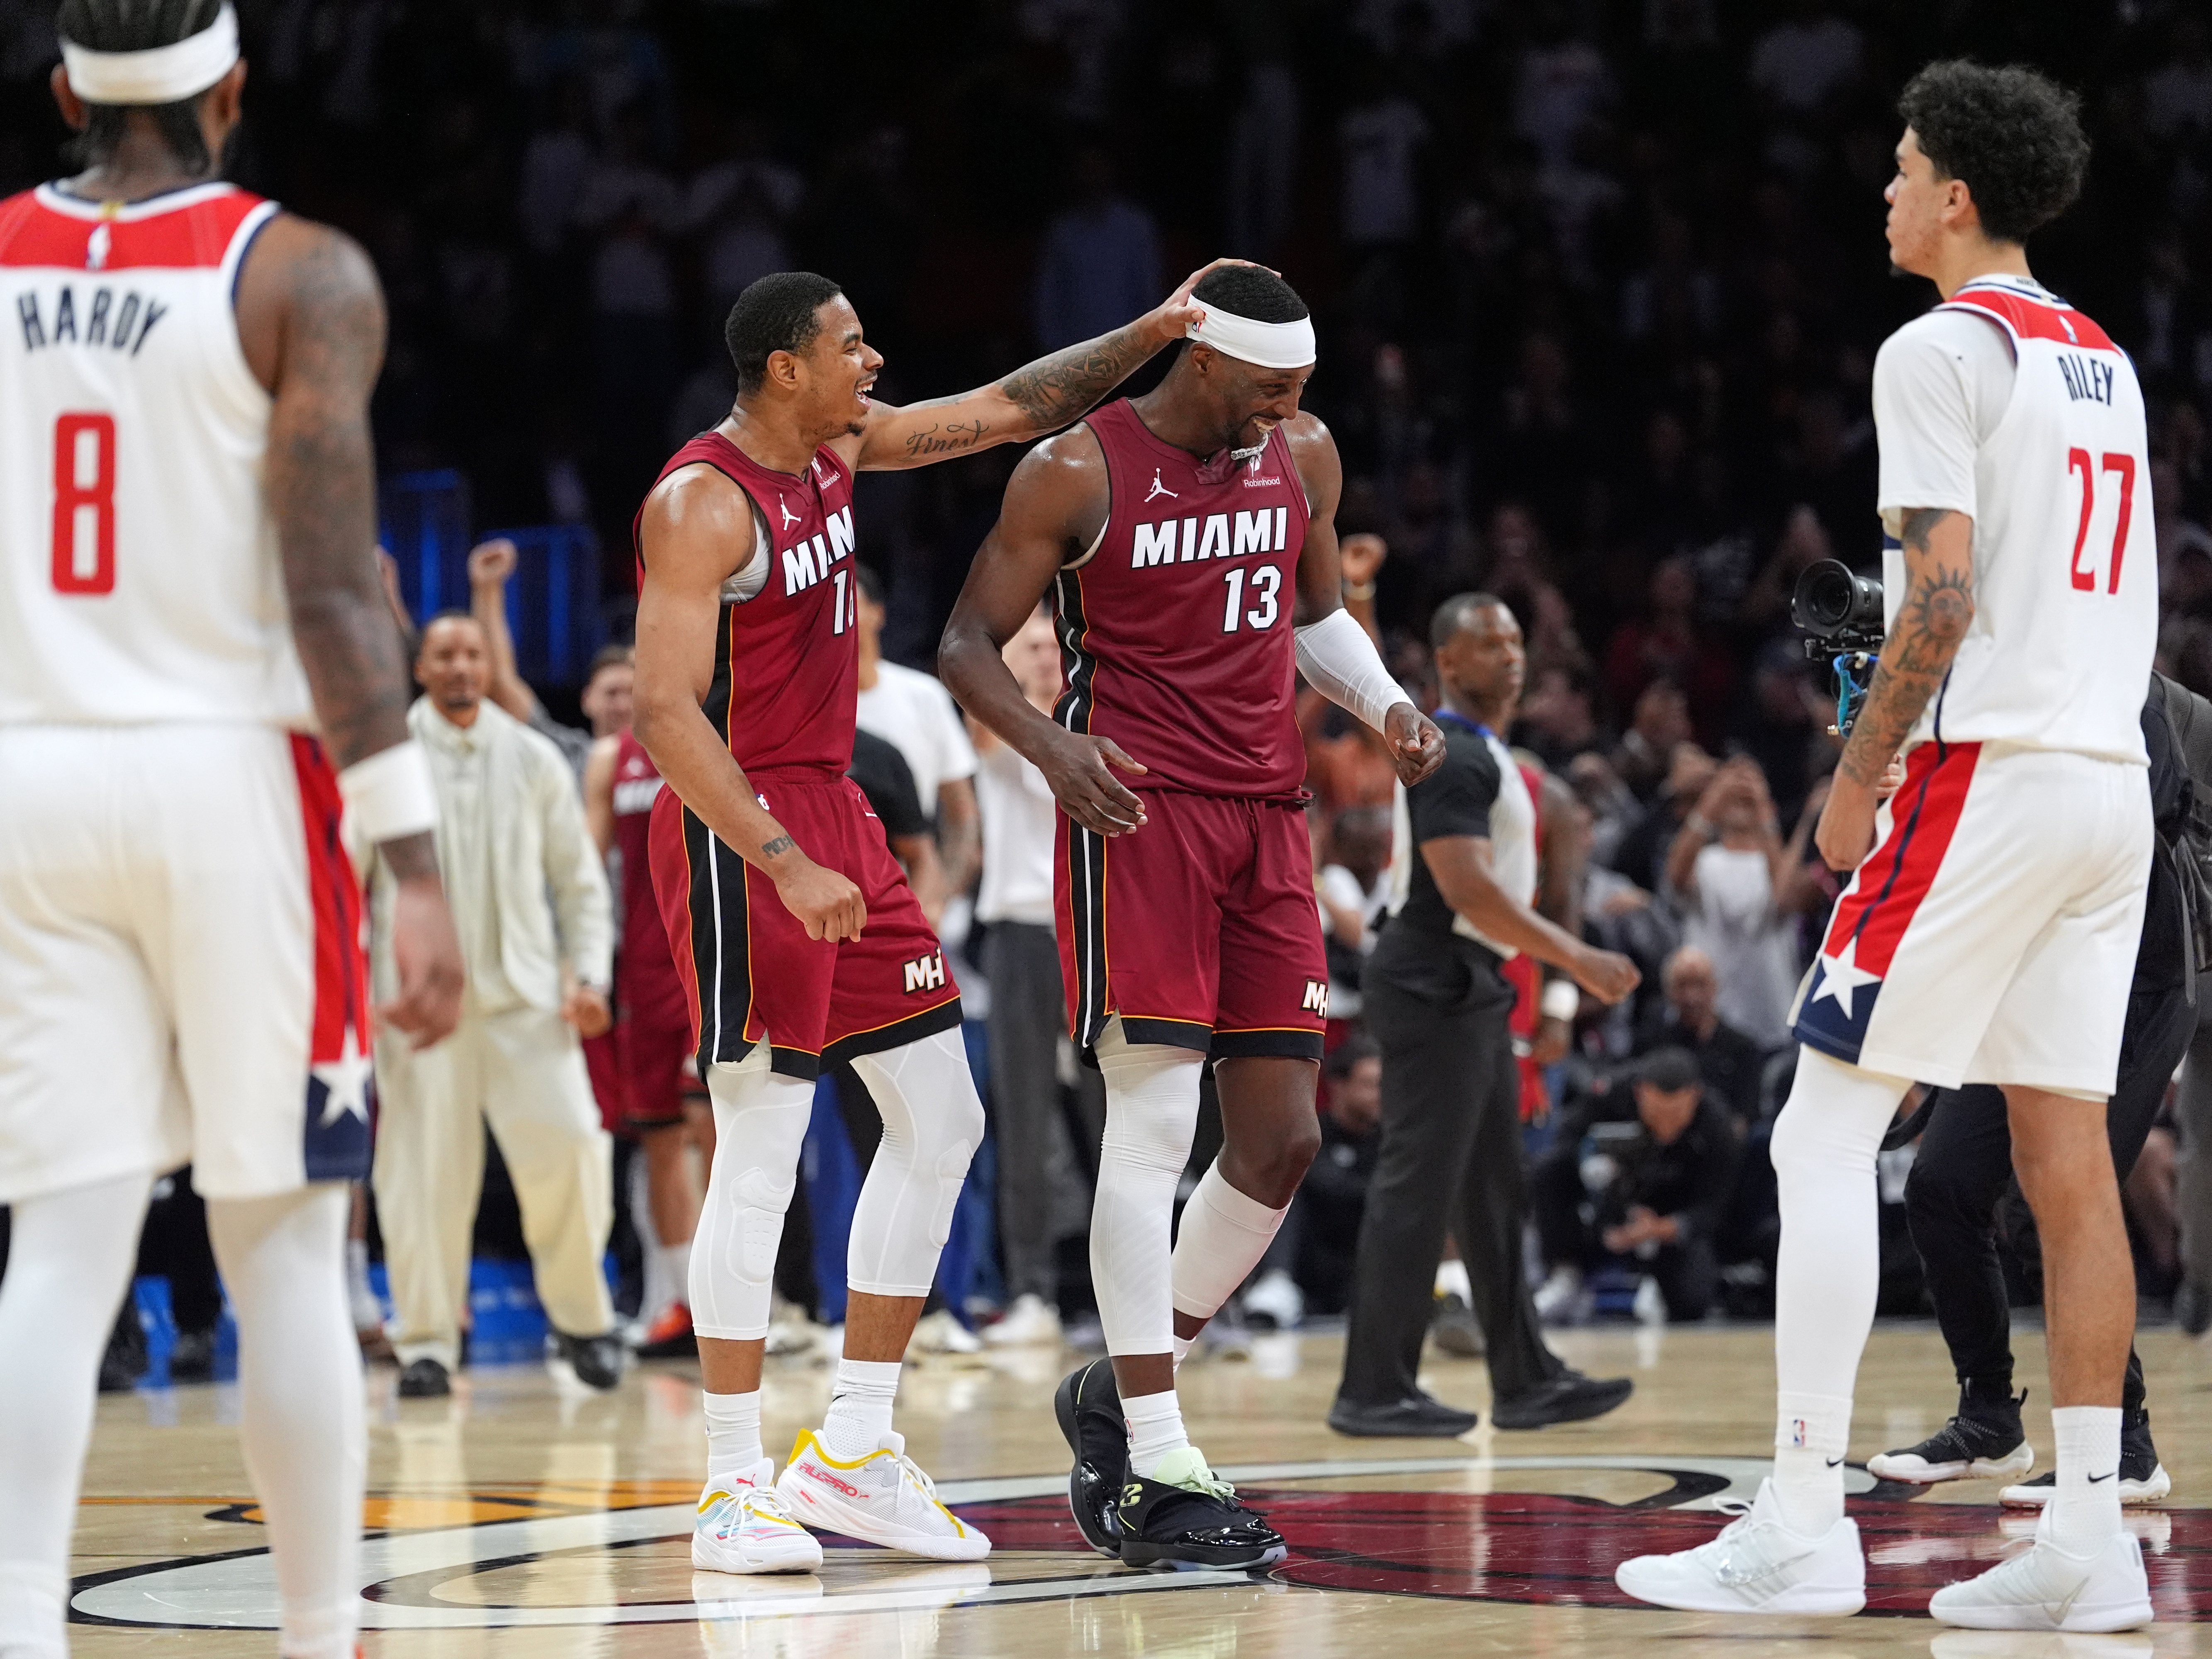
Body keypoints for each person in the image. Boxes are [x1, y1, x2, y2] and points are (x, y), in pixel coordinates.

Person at [1618, 63, 2160, 1630]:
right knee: (2066, 1162)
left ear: (1956, 196)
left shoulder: (1932, 348)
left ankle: (1797, 1518)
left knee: (1817, 1132)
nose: (1885, 189)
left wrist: (1853, 779)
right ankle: (2087, 1538)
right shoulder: (2102, 357)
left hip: (1984, 772)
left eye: (1903, 166)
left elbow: (1938, 597)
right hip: (2105, 783)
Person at [633, 261, 1233, 1574]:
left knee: (943, 1117)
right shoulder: (699, 502)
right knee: (762, 1135)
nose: (871, 361)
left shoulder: (842, 445)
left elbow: (1015, 407)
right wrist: (782, 858)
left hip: (836, 807)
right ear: (784, 366)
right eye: (848, 344)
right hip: (742, 825)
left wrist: (1154, 328)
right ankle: (730, 1484)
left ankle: (852, 1451)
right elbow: (663, 713)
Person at [0, 8, 465, 1659]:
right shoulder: (300, 273)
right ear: (234, 90)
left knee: (61, 1248)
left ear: (66, 90)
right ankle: (320, 1633)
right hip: (230, 777)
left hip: (30, 772)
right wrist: (414, 863)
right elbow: (335, 594)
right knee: (283, 1249)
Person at [939, 264, 1445, 1570]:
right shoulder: (1073, 469)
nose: (1287, 412)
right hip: (1139, 816)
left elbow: (1315, 618)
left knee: (1280, 1141)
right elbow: (965, 645)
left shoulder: (1302, 454)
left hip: (1269, 817)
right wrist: (1053, 749)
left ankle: (1120, 1386)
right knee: (1155, 1127)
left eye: (1301, 393)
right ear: (1202, 360)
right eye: (1270, 390)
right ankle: (1157, 1463)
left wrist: (1386, 705)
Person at [1867, 673, 2204, 1506]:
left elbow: (2131, 822)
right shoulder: (1972, 696)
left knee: (2045, 1199)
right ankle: (1988, 1416)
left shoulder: (2110, 679)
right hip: (2026, 972)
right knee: (1940, 1186)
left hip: (2132, 980)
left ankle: (2123, 1445)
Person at [1329, 594, 1638, 1439]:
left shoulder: (1488, 754)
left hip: (1469, 980)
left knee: (1495, 1187)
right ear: (1445, 662)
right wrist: (1576, 960)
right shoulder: (1452, 755)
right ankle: (1373, 1388)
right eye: (1487, 642)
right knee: (1416, 1186)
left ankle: (1524, 1377)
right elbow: (1466, 888)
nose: (1509, 654)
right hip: (1431, 975)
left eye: (1513, 639)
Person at [366, 614, 619, 1398]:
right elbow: (348, 887)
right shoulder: (386, 762)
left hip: (528, 1001)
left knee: (573, 1148)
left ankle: (583, 1322)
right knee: (420, 1175)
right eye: (444, 654)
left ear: (488, 664)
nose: (460, 667)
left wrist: (590, 978)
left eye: (472, 653)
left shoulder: (533, 756)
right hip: (420, 1008)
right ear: (420, 668)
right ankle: (426, 1345)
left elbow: (579, 885)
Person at [972, 606, 1087, 1349]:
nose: (1046, 655)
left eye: (1053, 643)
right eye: (1031, 645)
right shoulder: (1000, 726)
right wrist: (1006, 661)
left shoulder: (1095, 721)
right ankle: (1030, 1293)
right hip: (1019, 934)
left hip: (1094, 931)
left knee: (1118, 1118)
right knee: (1022, 1118)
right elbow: (978, 700)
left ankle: (1135, 1295)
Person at [582, 715, 709, 1358]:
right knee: (659, 1139)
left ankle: (743, 1296)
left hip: (711, 962)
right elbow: (584, 868)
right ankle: (682, 1300)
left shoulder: (720, 731)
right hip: (642, 969)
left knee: (715, 1130)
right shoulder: (612, 758)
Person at [1531, 1048, 1742, 1323]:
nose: (1666, 1127)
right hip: (1608, 1205)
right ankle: (1565, 1274)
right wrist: (1593, 1166)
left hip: (1672, 1218)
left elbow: (1715, 1205)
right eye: (1658, 1115)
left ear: (1694, 1096)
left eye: (1675, 1117)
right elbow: (1566, 1140)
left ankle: (1658, 1289)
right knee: (1549, 1171)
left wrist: (1660, 1228)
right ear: (1641, 1093)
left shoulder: (1717, 1125)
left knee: (1693, 1298)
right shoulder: (1609, 1095)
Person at [853, 562, 980, 896]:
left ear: (878, 613)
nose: (841, 618)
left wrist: (940, 897)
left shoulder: (923, 695)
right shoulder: (807, 704)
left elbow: (961, 810)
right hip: (837, 887)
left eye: (850, 604)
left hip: (911, 881)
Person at [1633, 945, 1768, 1125]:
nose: (1691, 997)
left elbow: (1748, 1115)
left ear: (1714, 987)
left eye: (1699, 984)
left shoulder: (1744, 1049)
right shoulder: (1652, 1045)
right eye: (1682, 985)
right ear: (1668, 991)